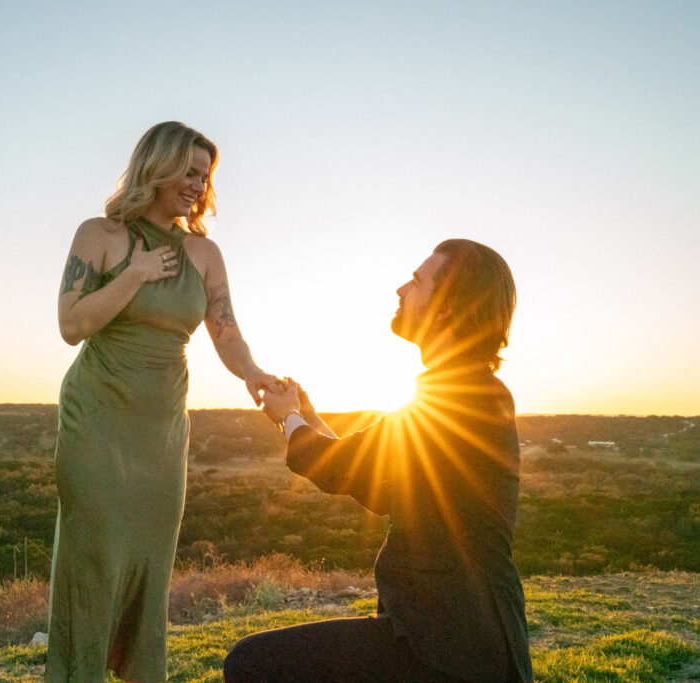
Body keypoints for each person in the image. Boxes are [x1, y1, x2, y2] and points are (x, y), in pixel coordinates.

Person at [224, 239, 533, 682]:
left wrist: (290, 418)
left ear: (446, 308)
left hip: (453, 648)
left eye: (417, 281)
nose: (401, 289)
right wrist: (307, 417)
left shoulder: (464, 397)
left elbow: (343, 466)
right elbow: (377, 487)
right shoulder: (466, 390)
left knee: (252, 663)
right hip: (445, 640)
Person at [49, 121, 278, 682]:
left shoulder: (204, 253)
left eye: (206, 176)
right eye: (190, 172)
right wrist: (136, 274)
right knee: (93, 555)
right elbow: (71, 325)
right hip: (97, 418)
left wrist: (253, 373)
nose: (199, 185)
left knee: (151, 560)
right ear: (157, 167)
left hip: (161, 429)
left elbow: (225, 331)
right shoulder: (99, 235)